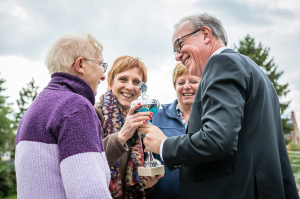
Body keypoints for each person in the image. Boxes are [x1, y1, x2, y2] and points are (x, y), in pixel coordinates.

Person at [138, 13, 298, 198]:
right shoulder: (254, 72)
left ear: (205, 34)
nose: (176, 56)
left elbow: (217, 139)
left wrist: (164, 145)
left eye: (179, 45)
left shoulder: (221, 62)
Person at [15, 31, 112, 199]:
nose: (104, 76)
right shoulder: (76, 108)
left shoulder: (33, 109)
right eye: (101, 65)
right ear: (80, 64)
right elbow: (89, 193)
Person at [94, 55, 163, 199]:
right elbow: (90, 166)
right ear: (110, 83)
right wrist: (122, 135)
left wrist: (147, 185)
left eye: (136, 82)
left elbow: (133, 184)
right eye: (123, 79)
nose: (130, 87)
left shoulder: (142, 123)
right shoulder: (94, 114)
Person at [148, 62, 201, 199]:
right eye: (181, 82)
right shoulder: (155, 117)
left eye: (193, 81)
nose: (186, 86)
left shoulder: (213, 119)